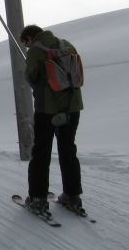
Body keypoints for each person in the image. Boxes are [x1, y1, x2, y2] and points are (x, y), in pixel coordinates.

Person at [20, 24, 84, 214]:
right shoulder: (67, 45)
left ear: (30, 38)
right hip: (73, 107)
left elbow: (31, 77)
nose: (27, 48)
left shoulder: (35, 52)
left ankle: (38, 199)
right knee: (68, 150)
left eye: (26, 44)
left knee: (41, 152)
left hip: (47, 109)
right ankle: (73, 196)